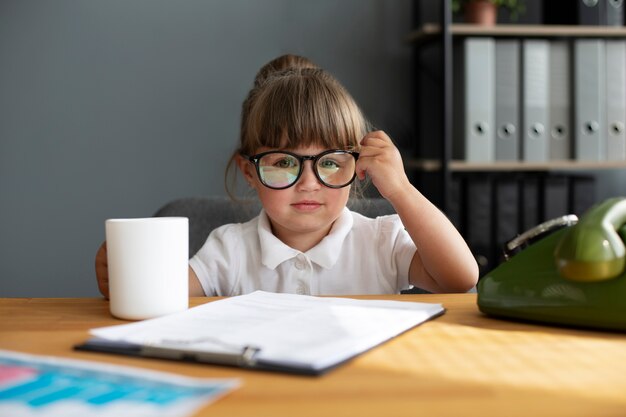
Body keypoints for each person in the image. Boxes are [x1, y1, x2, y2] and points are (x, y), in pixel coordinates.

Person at [95, 54, 478, 297]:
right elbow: (165, 297)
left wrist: (402, 190)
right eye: (283, 163)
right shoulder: (228, 250)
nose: (308, 182)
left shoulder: (381, 241)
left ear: (356, 166)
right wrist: (125, 275)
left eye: (329, 161)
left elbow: (460, 278)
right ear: (250, 171)